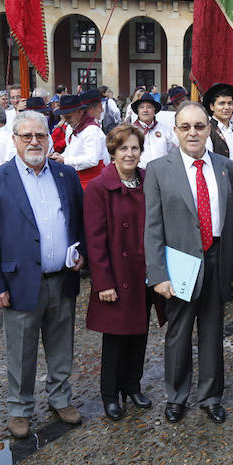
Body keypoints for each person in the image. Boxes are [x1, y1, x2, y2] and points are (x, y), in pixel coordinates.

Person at [0, 110, 86, 438]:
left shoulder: (66, 176)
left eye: (40, 136)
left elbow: (78, 222)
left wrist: (83, 254)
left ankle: (60, 398)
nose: (34, 141)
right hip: (19, 282)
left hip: (61, 278)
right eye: (27, 136)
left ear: (50, 138)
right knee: (21, 351)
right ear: (15, 140)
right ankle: (20, 409)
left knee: (61, 345)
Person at [144, 101, 233, 424]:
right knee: (179, 332)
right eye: (185, 127)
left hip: (218, 258)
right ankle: (176, 397)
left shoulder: (226, 168)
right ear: (175, 131)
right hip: (180, 262)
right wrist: (158, 274)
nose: (193, 133)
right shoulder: (159, 170)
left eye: (199, 126)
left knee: (213, 332)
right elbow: (152, 226)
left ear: (209, 130)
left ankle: (211, 396)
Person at [84, 124, 163, 421]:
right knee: (115, 339)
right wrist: (103, 281)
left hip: (144, 271)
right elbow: (94, 239)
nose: (130, 154)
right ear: (113, 152)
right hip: (117, 275)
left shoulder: (147, 180)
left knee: (139, 334)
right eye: (123, 149)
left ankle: (132, 385)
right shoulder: (98, 187)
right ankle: (110, 394)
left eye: (134, 148)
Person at [49, 91, 110, 189]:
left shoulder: (92, 130)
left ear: (80, 112)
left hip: (91, 182)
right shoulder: (72, 127)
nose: (66, 120)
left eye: (68, 117)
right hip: (76, 179)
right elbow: (71, 150)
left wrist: (65, 160)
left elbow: (92, 160)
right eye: (64, 117)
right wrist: (60, 156)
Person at [203, 82, 233, 163]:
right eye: (221, 103)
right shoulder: (207, 132)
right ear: (212, 106)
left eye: (230, 103)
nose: (227, 107)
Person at [131, 92, 178, 168]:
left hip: (162, 173)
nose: (145, 110)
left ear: (154, 110)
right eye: (142, 107)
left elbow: (174, 152)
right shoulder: (130, 131)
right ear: (138, 111)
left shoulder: (165, 129)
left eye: (149, 107)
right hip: (138, 174)